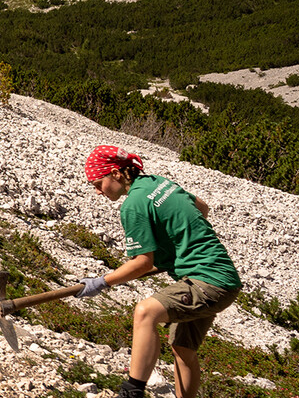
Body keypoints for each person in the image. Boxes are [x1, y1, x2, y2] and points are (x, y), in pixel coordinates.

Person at [77, 146, 242, 398]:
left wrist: (101, 282)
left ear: (116, 174)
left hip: (207, 282)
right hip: (224, 277)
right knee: (182, 348)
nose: (97, 191)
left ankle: (131, 392)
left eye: (98, 183)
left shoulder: (133, 204)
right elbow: (202, 208)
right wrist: (177, 250)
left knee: (145, 312)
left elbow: (142, 262)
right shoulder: (158, 183)